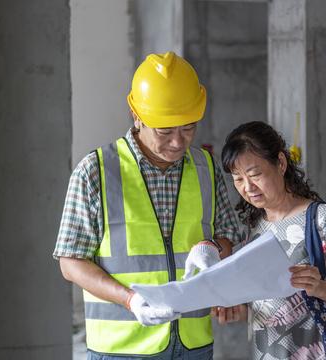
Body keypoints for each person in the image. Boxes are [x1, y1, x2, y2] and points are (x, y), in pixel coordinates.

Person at [53, 51, 241, 359]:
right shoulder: (97, 171)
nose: (178, 142)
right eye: (165, 131)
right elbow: (71, 262)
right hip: (121, 349)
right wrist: (130, 300)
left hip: (193, 346)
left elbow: (226, 237)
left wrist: (214, 249)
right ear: (135, 114)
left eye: (188, 127)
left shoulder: (205, 166)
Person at [215, 121, 326, 359]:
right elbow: (270, 304)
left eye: (255, 174)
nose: (248, 187)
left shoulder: (322, 218)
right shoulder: (254, 228)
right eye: (238, 179)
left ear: (280, 163)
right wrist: (240, 311)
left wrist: (320, 287)